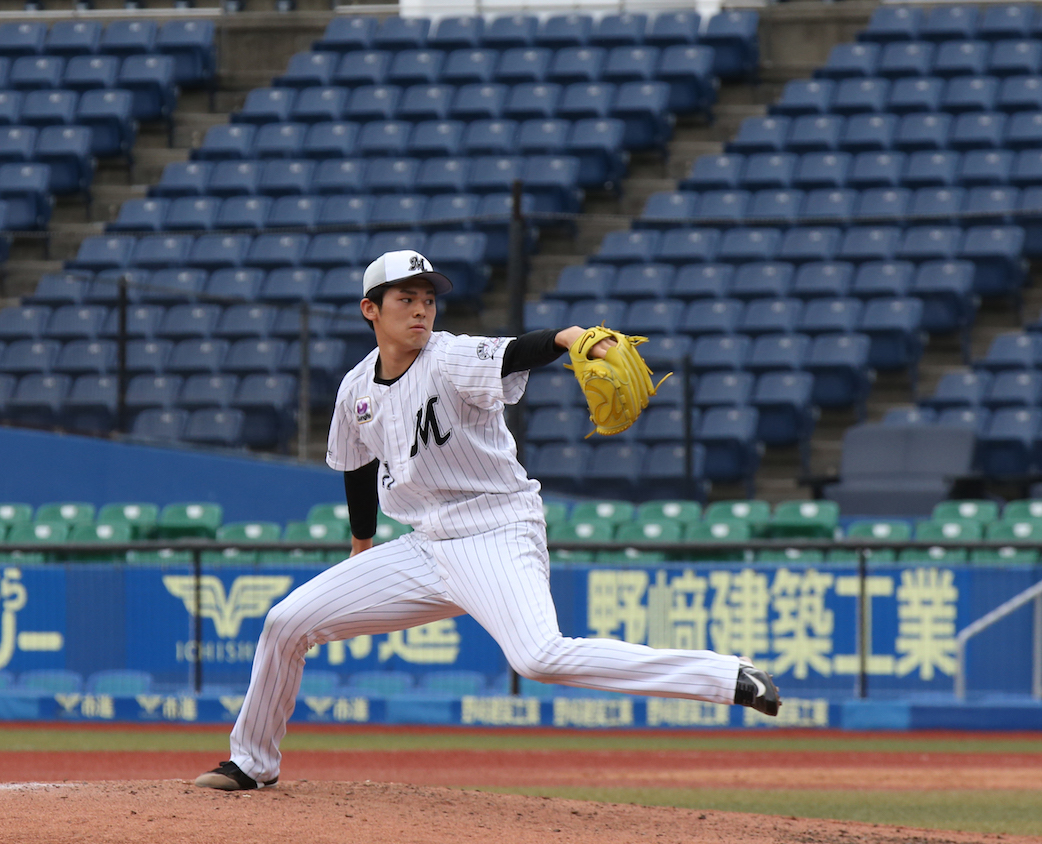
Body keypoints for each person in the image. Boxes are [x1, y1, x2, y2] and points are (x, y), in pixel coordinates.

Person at [195, 250, 781, 791]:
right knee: (286, 621)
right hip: (422, 546)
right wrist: (361, 547)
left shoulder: (447, 356)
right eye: (406, 298)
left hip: (497, 530)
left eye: (428, 298)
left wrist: (569, 337)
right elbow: (358, 467)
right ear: (370, 310)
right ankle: (252, 762)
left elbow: (514, 351)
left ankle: (724, 676)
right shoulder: (355, 389)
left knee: (538, 657)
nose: (421, 308)